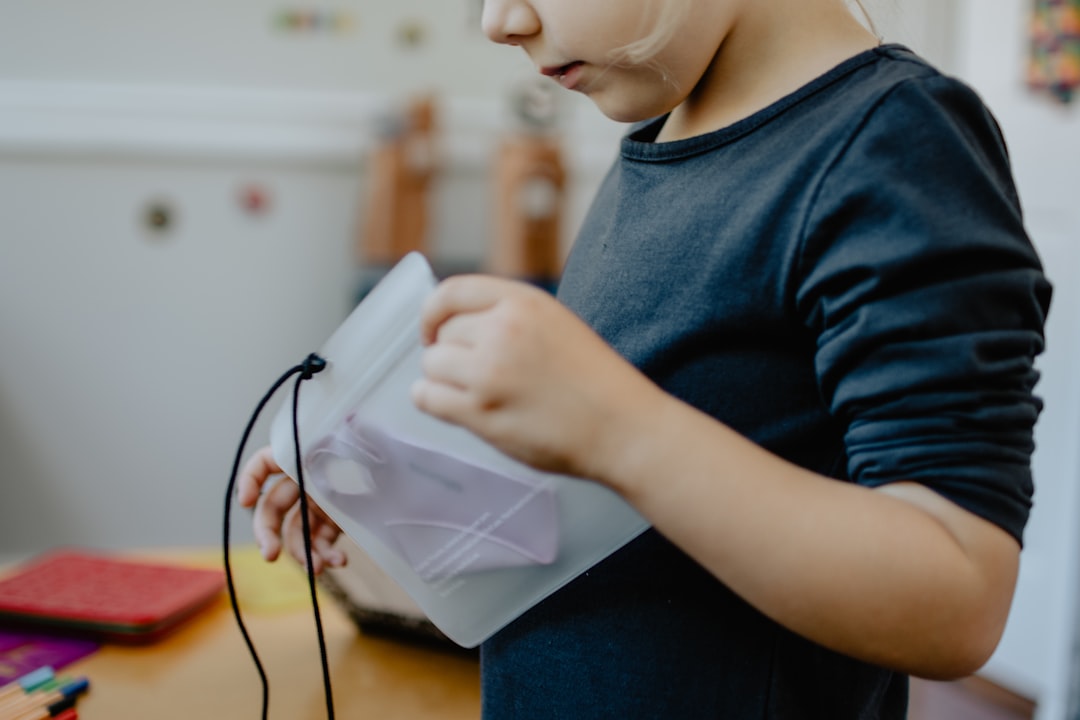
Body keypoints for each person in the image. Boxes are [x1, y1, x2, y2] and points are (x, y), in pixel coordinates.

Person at [237, 0, 1053, 716]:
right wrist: (399, 481)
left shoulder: (896, 144)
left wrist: (615, 427)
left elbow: (958, 598)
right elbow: (616, 524)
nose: (498, 21)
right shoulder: (656, 139)